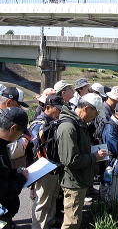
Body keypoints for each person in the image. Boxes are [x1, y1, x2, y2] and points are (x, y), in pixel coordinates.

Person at [57, 93, 107, 229]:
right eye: (95, 114)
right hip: (73, 182)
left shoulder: (79, 124)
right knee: (71, 222)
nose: (95, 117)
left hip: (79, 179)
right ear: (86, 108)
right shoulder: (69, 127)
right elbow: (70, 160)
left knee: (75, 220)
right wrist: (95, 157)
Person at [29, 95, 64, 229]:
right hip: (43, 168)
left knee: (53, 197)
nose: (60, 112)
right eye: (58, 109)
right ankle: (38, 226)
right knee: (42, 201)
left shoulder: (55, 122)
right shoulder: (38, 124)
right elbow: (33, 147)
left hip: (54, 167)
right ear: (48, 107)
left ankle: (49, 223)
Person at [0, 107, 29, 229]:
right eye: (20, 133)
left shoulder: (3, 144)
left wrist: (15, 172)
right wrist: (21, 178)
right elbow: (4, 192)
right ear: (13, 128)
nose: (20, 136)